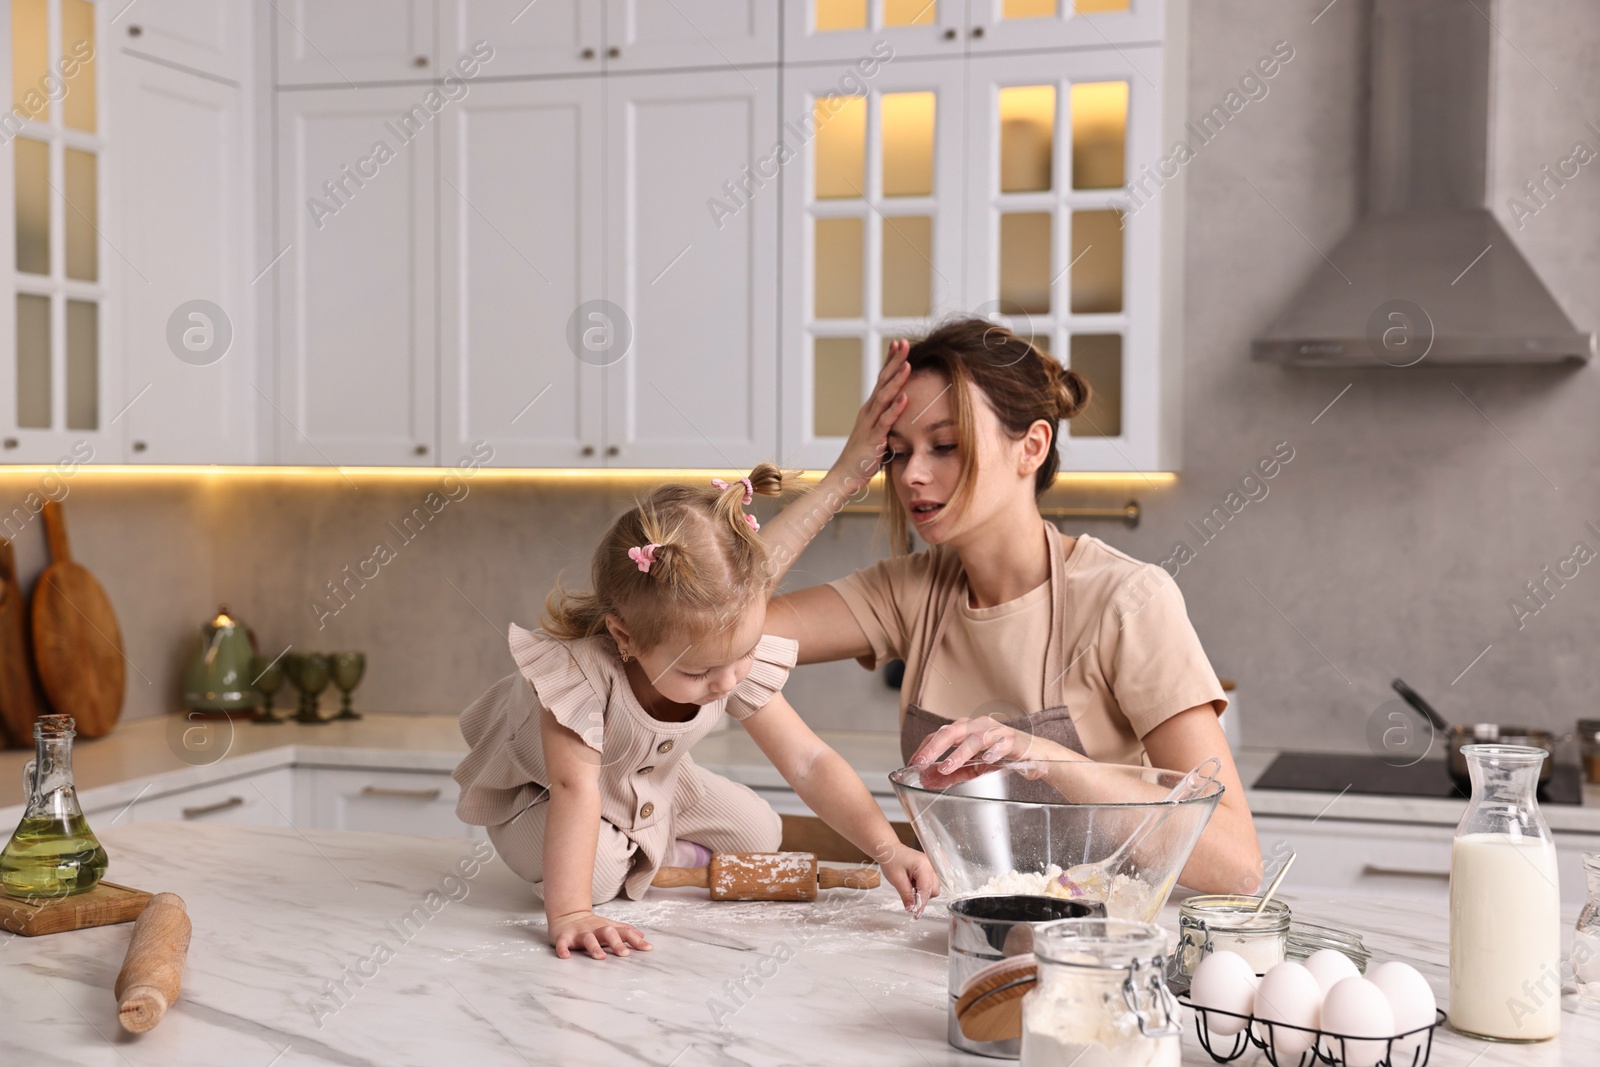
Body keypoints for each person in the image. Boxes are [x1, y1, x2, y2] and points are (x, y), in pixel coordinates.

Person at [761, 319, 1263, 895]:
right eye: (897, 454)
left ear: (1032, 447)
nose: (913, 475)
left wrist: (1043, 756)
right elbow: (715, 632)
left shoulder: (1127, 601)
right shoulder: (910, 593)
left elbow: (1237, 863)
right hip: (959, 942)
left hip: (1095, 956)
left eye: (945, 446)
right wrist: (840, 480)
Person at [453, 466, 939, 961]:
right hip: (541, 796)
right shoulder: (579, 677)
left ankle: (651, 851)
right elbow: (574, 789)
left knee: (760, 833)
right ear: (625, 638)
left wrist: (888, 847)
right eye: (700, 671)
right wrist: (572, 913)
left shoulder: (721, 662)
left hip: (645, 783)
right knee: (595, 875)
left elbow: (808, 761)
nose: (728, 682)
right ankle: (643, 857)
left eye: (742, 655)